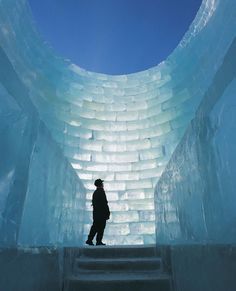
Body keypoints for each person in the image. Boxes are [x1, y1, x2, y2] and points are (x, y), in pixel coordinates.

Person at [86, 179, 110, 246]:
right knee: (100, 228)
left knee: (95, 227)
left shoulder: (96, 192)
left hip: (97, 214)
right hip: (101, 214)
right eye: (102, 183)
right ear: (101, 184)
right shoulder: (101, 192)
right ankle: (97, 241)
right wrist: (107, 213)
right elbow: (104, 204)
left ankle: (90, 240)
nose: (103, 184)